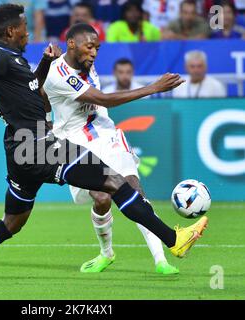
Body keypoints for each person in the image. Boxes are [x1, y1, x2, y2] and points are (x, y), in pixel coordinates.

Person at [0, 6, 207, 284]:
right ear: (9, 32)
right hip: (36, 144)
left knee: (11, 224)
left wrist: (44, 65)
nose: (28, 31)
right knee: (114, 180)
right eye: (23, 27)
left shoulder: (15, 62)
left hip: (21, 150)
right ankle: (173, 240)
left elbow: (34, 92)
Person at [43, 41, 178, 274]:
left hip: (106, 135)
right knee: (102, 197)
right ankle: (106, 253)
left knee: (135, 190)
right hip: (77, 143)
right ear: (74, 46)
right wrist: (153, 87)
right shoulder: (57, 73)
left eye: (96, 48)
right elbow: (101, 99)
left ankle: (161, 260)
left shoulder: (84, 62)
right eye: (89, 47)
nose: (94, 53)